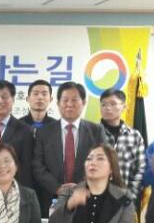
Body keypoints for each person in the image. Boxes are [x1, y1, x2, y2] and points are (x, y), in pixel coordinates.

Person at [31, 81, 107, 213]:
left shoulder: (96, 131)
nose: (69, 104)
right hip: (51, 198)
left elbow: (103, 163)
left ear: (84, 102)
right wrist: (58, 188)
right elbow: (37, 166)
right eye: (65, 100)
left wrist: (82, 187)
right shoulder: (44, 132)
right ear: (58, 103)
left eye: (74, 100)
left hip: (87, 197)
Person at [99, 88, 146, 202]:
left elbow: (141, 169)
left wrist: (130, 195)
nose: (107, 108)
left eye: (113, 104)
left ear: (124, 107)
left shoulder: (134, 136)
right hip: (96, 199)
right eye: (103, 104)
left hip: (126, 198)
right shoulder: (91, 132)